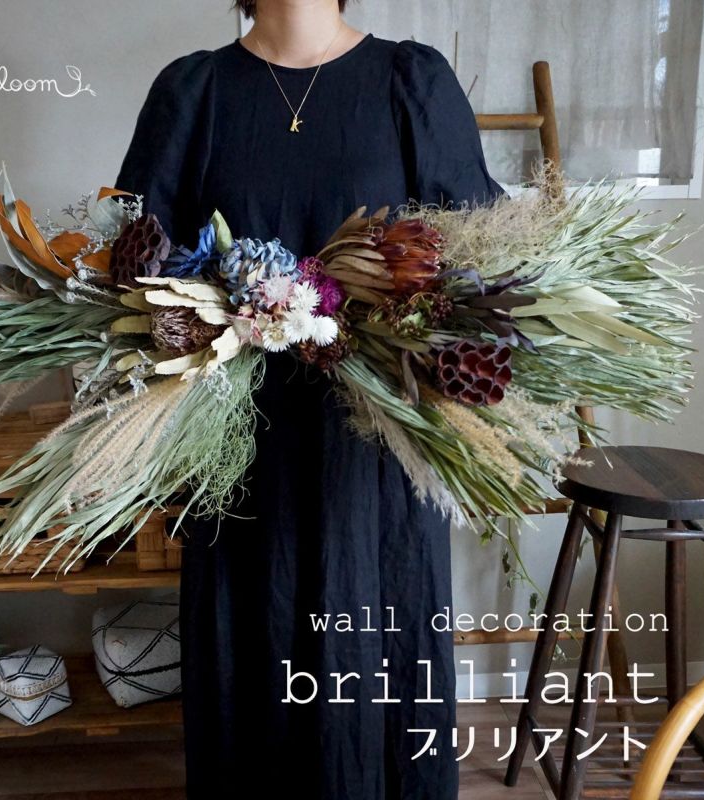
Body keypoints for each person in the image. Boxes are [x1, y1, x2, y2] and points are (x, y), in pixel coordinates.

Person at [114, 1, 506, 797]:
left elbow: (475, 263)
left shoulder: (410, 82)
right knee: (248, 642)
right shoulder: (194, 91)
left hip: (375, 442)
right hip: (234, 439)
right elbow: (134, 270)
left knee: (375, 636)